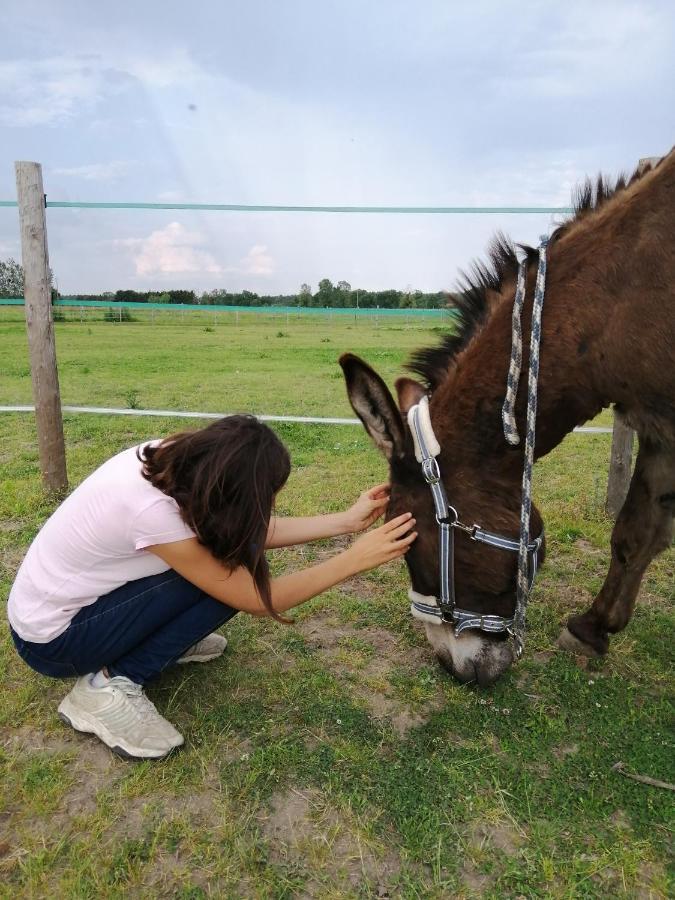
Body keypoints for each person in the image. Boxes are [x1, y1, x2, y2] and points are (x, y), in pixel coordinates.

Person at [7, 415, 416, 760]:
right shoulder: (152, 511)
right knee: (233, 576)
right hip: (54, 642)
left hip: (73, 610)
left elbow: (236, 529)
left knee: (230, 562)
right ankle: (107, 684)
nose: (266, 507)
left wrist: (344, 522)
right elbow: (255, 598)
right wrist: (354, 559)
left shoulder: (176, 465)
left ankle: (153, 645)